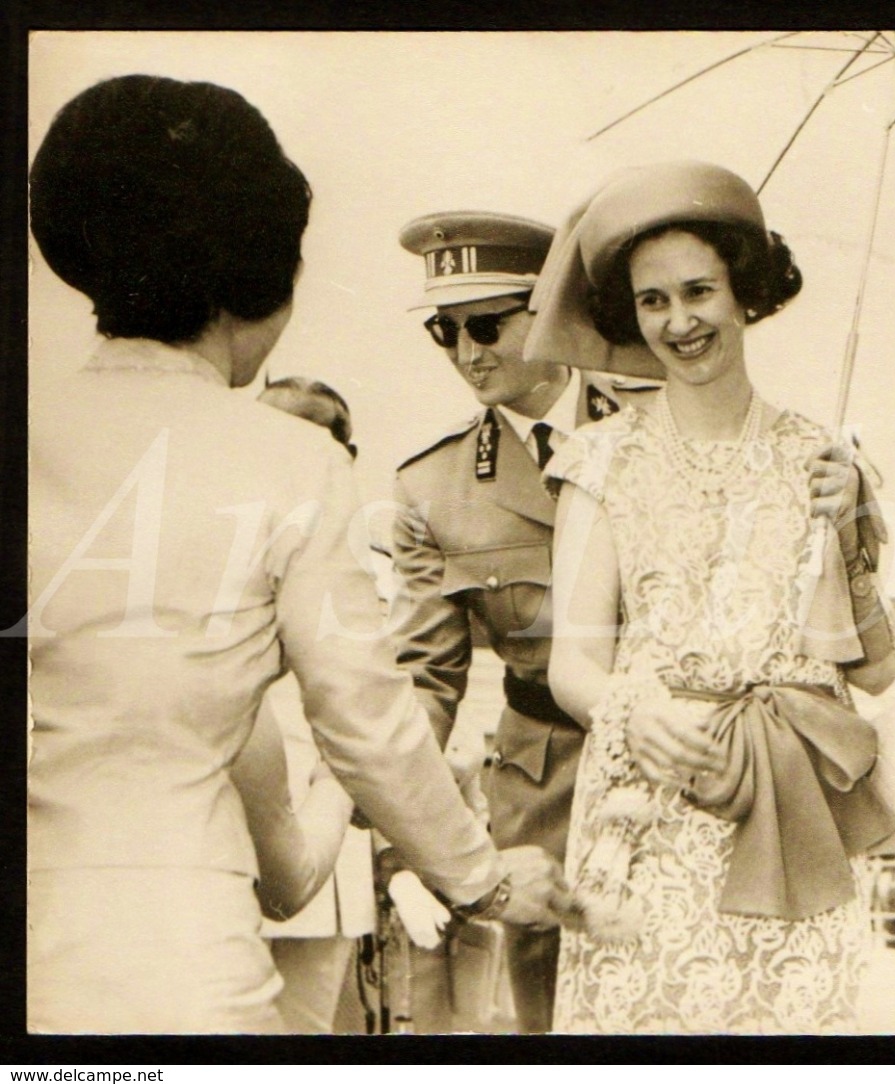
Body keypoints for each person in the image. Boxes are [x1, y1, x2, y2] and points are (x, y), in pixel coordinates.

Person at [24, 75, 571, 1033]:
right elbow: (368, 722)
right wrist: (480, 882)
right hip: (184, 949)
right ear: (261, 282)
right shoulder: (286, 460)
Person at [532, 160, 895, 1033]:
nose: (679, 321)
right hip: (647, 801)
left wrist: (848, 530)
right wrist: (633, 710)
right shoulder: (598, 460)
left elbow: (876, 669)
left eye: (699, 291)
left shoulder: (822, 457)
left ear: (745, 294)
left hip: (790, 810)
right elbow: (571, 664)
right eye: (653, 302)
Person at [392, 210, 594, 1033]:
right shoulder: (431, 487)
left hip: (680, 766)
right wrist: (390, 813)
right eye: (444, 331)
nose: (466, 352)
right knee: (547, 1009)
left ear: (543, 311)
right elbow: (424, 680)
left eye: (486, 324)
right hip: (543, 784)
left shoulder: (657, 424)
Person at [241, 377, 379, 1033]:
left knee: (306, 1033)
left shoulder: (371, 567)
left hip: (326, 844)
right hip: (226, 851)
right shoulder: (209, 553)